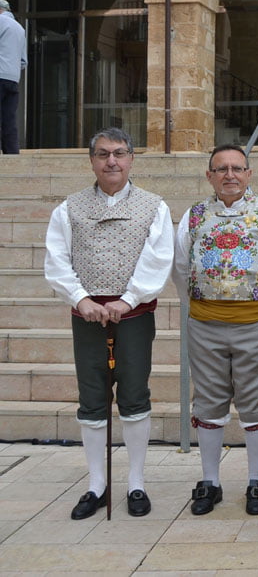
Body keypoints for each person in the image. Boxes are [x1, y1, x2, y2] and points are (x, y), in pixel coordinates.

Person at [43, 128, 174, 519]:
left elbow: (158, 258)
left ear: (132, 159)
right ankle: (96, 484)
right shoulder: (68, 208)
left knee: (134, 396)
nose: (111, 161)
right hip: (87, 318)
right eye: (102, 154)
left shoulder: (155, 207)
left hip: (132, 317)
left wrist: (128, 299)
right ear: (92, 161)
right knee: (92, 399)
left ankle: (135, 482)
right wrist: (81, 299)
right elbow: (56, 258)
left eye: (119, 153)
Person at [174, 144, 258, 516]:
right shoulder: (194, 216)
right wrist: (199, 305)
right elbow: (181, 268)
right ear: (209, 176)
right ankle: (210, 481)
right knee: (209, 401)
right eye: (221, 169)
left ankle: (256, 481)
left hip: (257, 324)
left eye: (237, 168)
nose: (229, 175)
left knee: (256, 402)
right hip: (205, 325)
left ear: (248, 174)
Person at [0, 0, 27, 154]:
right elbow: (23, 61)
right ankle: (12, 156)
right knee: (9, 120)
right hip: (12, 79)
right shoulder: (19, 28)